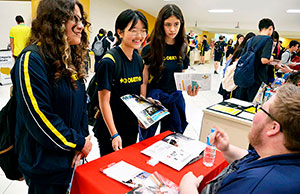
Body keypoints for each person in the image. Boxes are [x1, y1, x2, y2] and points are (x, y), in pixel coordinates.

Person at [10, 0, 92, 193]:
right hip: (45, 168)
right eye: (74, 19)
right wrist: (78, 143)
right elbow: (40, 118)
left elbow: (81, 105)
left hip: (71, 160)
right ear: (55, 21)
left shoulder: (67, 57)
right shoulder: (31, 60)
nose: (81, 26)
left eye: (81, 20)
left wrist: (82, 142)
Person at [180, 83, 300, 194]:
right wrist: (227, 149)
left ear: (273, 127)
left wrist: (187, 186)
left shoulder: (252, 186)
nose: (254, 116)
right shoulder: (283, 155)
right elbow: (253, 158)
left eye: (260, 109)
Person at [93, 9, 148, 156]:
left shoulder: (138, 60)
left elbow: (136, 95)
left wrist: (143, 115)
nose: (140, 36)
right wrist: (114, 134)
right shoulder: (109, 62)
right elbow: (104, 102)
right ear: (120, 32)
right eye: (134, 30)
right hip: (110, 130)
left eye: (143, 31)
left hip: (130, 126)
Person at [139, 4, 199, 141]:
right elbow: (143, 81)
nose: (172, 29)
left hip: (175, 98)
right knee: (147, 140)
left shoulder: (183, 48)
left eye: (176, 24)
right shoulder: (150, 48)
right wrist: (142, 107)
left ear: (181, 24)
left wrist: (190, 90)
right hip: (153, 99)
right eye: (168, 25)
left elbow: (182, 78)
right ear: (161, 25)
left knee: (172, 140)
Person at [235, 18, 275, 102]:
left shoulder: (250, 40)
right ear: (270, 28)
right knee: (253, 105)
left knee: (241, 104)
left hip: (245, 76)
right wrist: (271, 58)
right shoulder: (268, 40)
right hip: (257, 79)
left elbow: (242, 56)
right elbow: (263, 60)